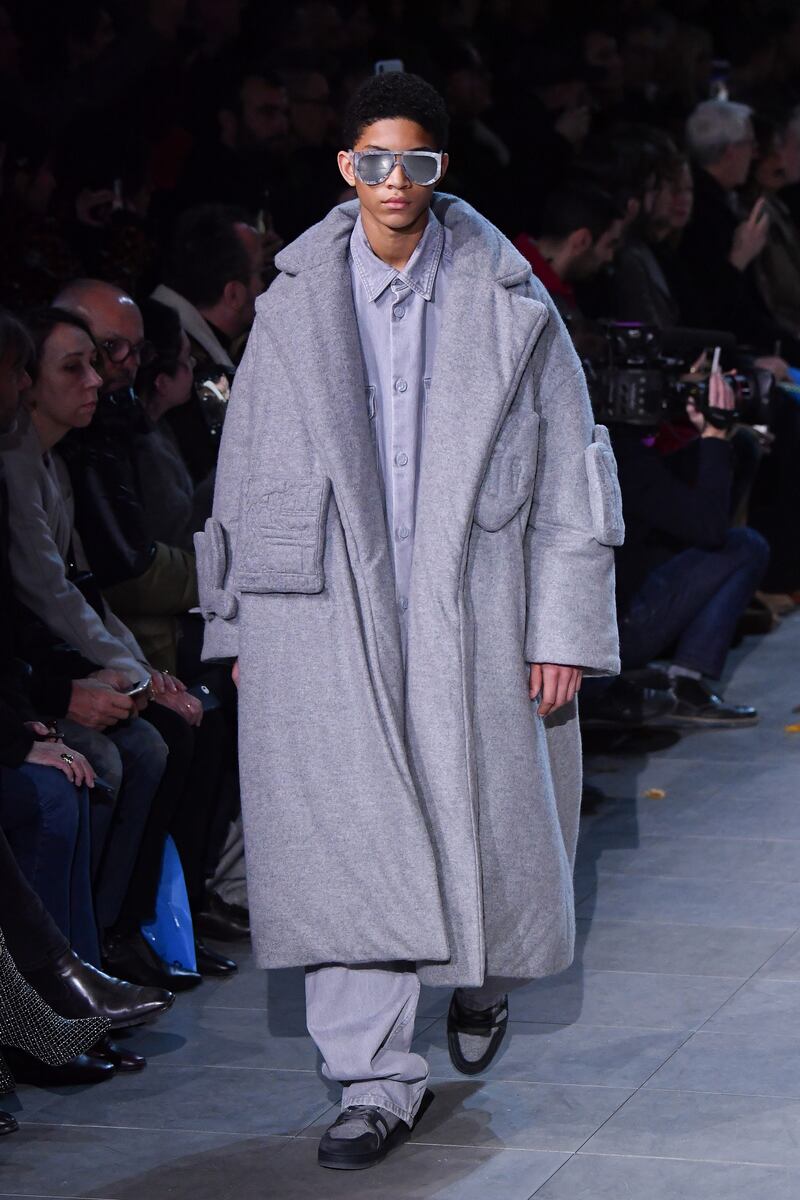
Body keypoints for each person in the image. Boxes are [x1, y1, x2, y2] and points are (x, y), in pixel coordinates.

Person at [197, 71, 621, 1170]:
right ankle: (373, 1079)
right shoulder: (294, 301)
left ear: (440, 168)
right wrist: (238, 626)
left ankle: (482, 978)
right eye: (375, 160)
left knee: (482, 824)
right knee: (349, 842)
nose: (394, 182)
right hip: (326, 606)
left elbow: (572, 468)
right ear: (345, 165)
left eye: (415, 162)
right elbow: (246, 470)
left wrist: (562, 625)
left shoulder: (509, 298)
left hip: (476, 600)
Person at [152, 206, 265, 481]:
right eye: (259, 273)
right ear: (234, 295)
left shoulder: (154, 323)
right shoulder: (200, 374)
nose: (264, 287)